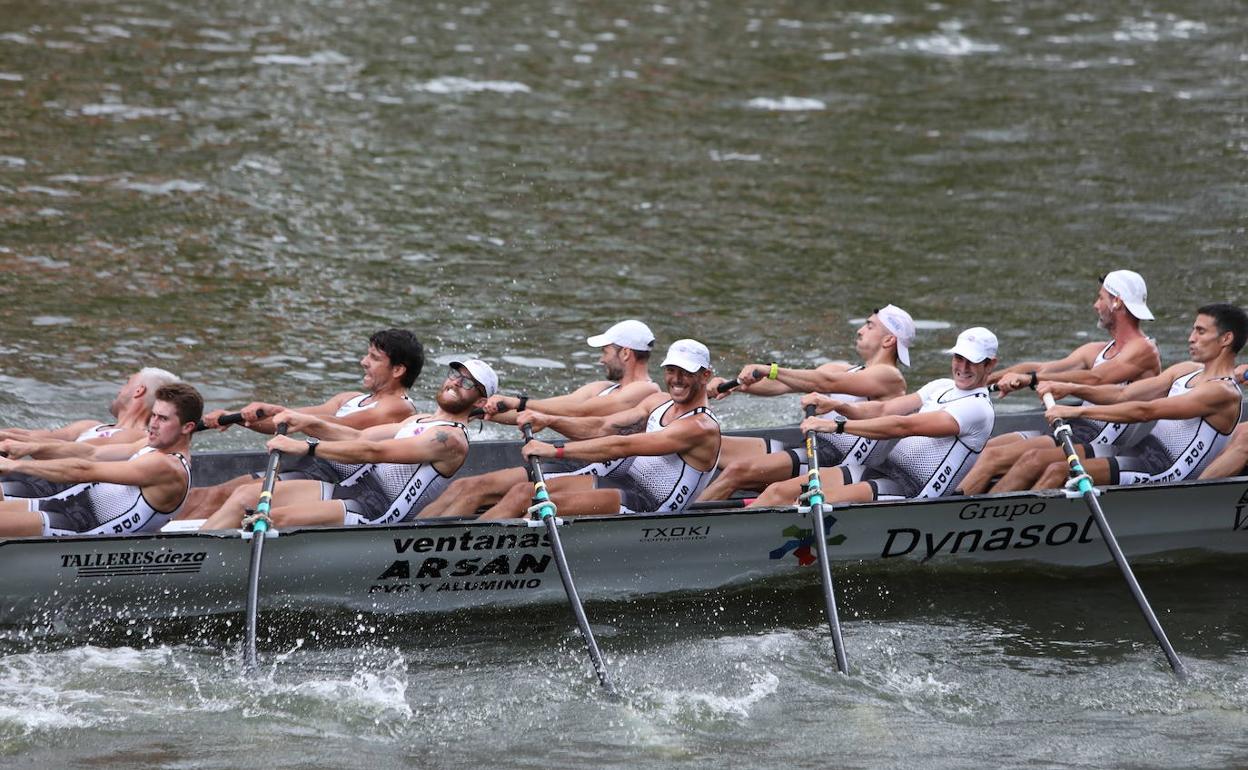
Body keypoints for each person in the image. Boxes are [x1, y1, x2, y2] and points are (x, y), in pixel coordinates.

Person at [199, 360, 497, 530]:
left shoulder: (451, 440)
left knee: (276, 519)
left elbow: (375, 453)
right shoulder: (420, 420)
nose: (456, 382)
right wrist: (307, 423)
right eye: (456, 375)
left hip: (376, 510)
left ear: (481, 401)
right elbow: (361, 438)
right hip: (355, 487)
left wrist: (307, 447)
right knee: (245, 497)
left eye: (468, 383)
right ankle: (194, 553)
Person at [415, 319, 660, 519]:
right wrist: (479, 411)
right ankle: (411, 539)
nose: (601, 359)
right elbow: (562, 407)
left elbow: (582, 412)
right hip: (574, 462)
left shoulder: (647, 391)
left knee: (485, 491)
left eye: (605, 352)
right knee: (465, 486)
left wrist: (519, 402)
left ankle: (452, 553)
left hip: (597, 471)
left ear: (626, 353)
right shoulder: (603, 386)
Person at [179, 328, 426, 518]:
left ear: (397, 371)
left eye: (374, 357)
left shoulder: (399, 407)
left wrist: (274, 411)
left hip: (342, 485)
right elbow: (289, 420)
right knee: (208, 495)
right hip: (314, 467)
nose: (363, 361)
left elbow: (325, 424)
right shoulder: (349, 398)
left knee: (227, 497)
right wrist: (238, 417)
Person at [957, 270, 1162, 494]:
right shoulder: (1096, 350)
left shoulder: (1144, 350)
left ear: (1117, 303)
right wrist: (980, 381)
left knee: (1005, 458)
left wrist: (1031, 380)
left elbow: (1097, 378)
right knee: (983, 449)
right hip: (1070, 428)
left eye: (1101, 298)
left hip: (1100, 439)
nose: (1096, 305)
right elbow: (1040, 368)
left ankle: (968, 519)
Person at [748, 327, 998, 506]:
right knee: (780, 491)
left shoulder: (978, 410)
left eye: (972, 362)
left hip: (912, 492)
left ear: (990, 365)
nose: (962, 368)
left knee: (809, 503)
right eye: (958, 358)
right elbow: (883, 410)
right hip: (882, 470)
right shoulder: (941, 385)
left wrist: (836, 427)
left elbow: (903, 426)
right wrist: (836, 404)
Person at [475, 339, 722, 519]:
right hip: (624, 482)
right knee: (521, 494)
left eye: (686, 372)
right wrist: (550, 420)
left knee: (545, 506)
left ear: (705, 375)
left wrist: (554, 449)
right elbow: (604, 426)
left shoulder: (700, 427)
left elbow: (622, 445)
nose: (676, 379)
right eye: (671, 370)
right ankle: (465, 545)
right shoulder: (658, 402)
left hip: (652, 508)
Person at [699, 305, 914, 501]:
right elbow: (781, 386)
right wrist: (734, 384)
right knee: (705, 443)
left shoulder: (890, 377)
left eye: (869, 326)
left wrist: (772, 370)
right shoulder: (843, 368)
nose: (860, 330)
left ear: (888, 340)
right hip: (811, 446)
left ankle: (685, 527)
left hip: (833, 463)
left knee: (738, 471)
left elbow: (825, 381)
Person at [1032, 304, 1246, 489]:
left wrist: (1077, 410)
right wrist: (1070, 387)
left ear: (1226, 339)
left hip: (1164, 471)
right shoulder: (1186, 369)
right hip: (1139, 452)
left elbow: (1146, 411)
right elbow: (1123, 394)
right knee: (1045, 462)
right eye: (1193, 330)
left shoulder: (1222, 392)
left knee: (1058, 472)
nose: (1191, 338)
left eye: (1200, 331)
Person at [0, 383, 203, 537]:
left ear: (187, 427)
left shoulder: (167, 467)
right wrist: (31, 447)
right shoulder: (148, 446)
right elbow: (91, 453)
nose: (153, 424)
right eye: (154, 416)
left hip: (75, 531)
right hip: (62, 508)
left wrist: (17, 465)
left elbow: (84, 471)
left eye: (163, 419)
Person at [0, 367, 181, 498]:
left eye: (127, 382)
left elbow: (84, 452)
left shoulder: (138, 437)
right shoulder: (90, 425)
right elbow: (34, 438)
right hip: (30, 481)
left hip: (56, 496)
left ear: (139, 390)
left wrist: (23, 446)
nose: (120, 389)